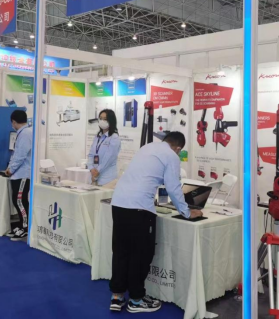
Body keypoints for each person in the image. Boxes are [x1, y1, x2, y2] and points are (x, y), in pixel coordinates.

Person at [109, 132, 203, 313]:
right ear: (178, 148)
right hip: (139, 209)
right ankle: (136, 300)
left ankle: (117, 295)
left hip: (119, 203)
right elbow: (174, 187)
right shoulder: (171, 156)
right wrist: (186, 212)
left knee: (121, 251)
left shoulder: (147, 148)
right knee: (140, 254)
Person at [5, 110, 33, 242]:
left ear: (14, 122)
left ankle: (25, 228)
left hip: (23, 174)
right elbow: (16, 154)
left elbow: (21, 155)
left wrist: (11, 169)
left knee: (20, 201)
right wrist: (10, 168)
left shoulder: (25, 133)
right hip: (18, 173)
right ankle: (22, 226)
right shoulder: (23, 133)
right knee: (18, 200)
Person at [87, 109, 121, 188]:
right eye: (100, 118)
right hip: (94, 177)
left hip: (107, 179)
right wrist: (91, 168)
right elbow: (91, 154)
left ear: (111, 121)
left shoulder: (114, 138)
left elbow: (109, 158)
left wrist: (97, 171)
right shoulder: (98, 136)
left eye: (105, 119)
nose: (102, 121)